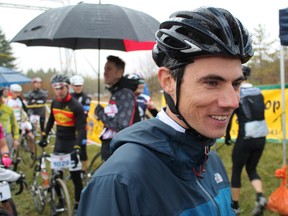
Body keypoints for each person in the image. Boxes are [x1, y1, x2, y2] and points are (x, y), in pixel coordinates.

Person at [78, 6, 253, 215]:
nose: (232, 102)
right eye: (212, 82)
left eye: (236, 84)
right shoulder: (119, 180)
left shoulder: (211, 160)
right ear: (168, 81)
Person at [38, 74, 87, 214]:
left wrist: (77, 148)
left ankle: (78, 205)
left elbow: (81, 129)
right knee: (56, 175)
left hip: (71, 142)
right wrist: (44, 135)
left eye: (61, 88)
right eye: (56, 88)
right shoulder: (54, 102)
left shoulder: (76, 105)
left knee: (76, 177)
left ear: (67, 87)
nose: (58, 91)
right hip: (59, 143)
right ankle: (60, 201)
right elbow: (50, 121)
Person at [225, 65, 268, 215]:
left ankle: (235, 207)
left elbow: (230, 118)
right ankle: (260, 197)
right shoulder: (258, 91)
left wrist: (227, 136)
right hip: (261, 136)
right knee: (252, 168)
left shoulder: (238, 93)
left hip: (246, 137)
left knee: (237, 169)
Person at [94, 55, 140, 161]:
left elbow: (122, 125)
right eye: (104, 69)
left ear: (119, 73)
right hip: (114, 149)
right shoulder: (117, 92)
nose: (104, 72)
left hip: (120, 151)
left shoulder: (125, 93)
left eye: (109, 69)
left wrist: (101, 113)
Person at [5, 84, 35, 157]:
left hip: (20, 123)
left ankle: (32, 153)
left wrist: (25, 118)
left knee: (31, 137)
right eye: (16, 92)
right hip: (11, 124)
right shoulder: (7, 101)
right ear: (11, 92)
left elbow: (24, 111)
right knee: (14, 143)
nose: (17, 94)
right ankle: (11, 157)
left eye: (19, 92)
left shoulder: (20, 101)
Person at [70, 74, 91, 173]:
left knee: (82, 148)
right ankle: (74, 168)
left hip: (81, 126)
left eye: (80, 85)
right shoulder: (69, 97)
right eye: (76, 86)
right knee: (71, 147)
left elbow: (84, 113)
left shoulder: (86, 98)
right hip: (70, 127)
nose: (78, 88)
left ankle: (84, 170)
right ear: (72, 86)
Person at [0, 88, 19, 153]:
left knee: (6, 158)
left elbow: (14, 124)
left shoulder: (8, 109)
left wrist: (16, 138)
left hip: (6, 135)